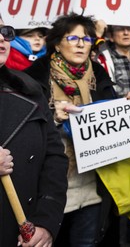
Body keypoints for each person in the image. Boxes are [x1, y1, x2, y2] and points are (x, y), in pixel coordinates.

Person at [24, 13, 123, 246]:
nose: (81, 44)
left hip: (92, 187)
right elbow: (25, 132)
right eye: (73, 39)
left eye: (87, 39)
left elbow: (112, 123)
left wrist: (125, 107)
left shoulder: (99, 75)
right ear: (57, 43)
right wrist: (54, 118)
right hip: (49, 191)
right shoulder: (32, 78)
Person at [0, 17, 68, 247]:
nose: (1, 38)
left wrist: (46, 223)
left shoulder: (28, 89)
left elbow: (55, 158)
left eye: (5, 31)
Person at [94, 25, 130, 98]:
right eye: (120, 29)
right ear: (111, 37)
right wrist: (98, 34)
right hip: (118, 107)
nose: (126, 33)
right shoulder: (102, 60)